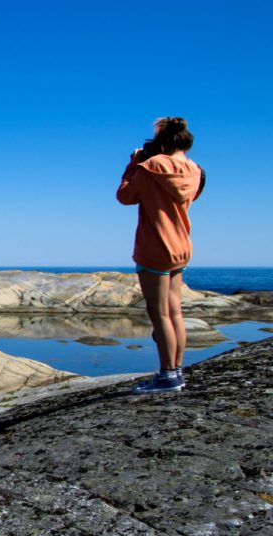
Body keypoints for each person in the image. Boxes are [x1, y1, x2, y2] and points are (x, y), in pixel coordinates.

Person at [117, 117, 205, 394]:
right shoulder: (195, 171)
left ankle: (167, 376)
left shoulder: (150, 167)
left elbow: (125, 196)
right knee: (175, 312)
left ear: (162, 143)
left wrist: (133, 163)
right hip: (181, 245)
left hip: (155, 246)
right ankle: (177, 370)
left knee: (160, 315)